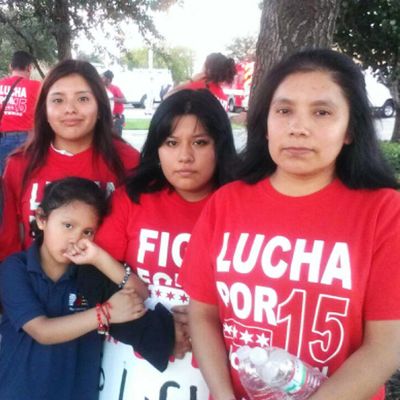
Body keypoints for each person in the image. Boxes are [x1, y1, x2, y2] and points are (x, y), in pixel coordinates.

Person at [180, 48, 400, 400]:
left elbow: (386, 345)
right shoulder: (226, 203)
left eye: (322, 112)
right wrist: (222, 395)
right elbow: (203, 314)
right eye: (283, 111)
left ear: (349, 130)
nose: (298, 128)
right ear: (265, 124)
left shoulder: (385, 212)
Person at [94, 89, 239, 400]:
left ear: (220, 146)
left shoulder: (241, 207)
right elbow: (93, 278)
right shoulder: (132, 198)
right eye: (171, 143)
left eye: (200, 142)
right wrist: (152, 330)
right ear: (157, 148)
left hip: (215, 374)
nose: (185, 156)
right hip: (131, 367)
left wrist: (210, 322)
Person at [0, 177, 147, 400]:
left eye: (88, 232)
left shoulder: (91, 272)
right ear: (41, 219)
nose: (75, 238)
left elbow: (139, 294)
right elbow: (42, 331)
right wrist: (106, 313)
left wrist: (99, 257)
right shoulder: (15, 267)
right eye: (68, 226)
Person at [0, 59, 140, 262]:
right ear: (44, 110)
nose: (70, 109)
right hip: (35, 287)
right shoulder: (20, 164)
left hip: (106, 287)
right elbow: (10, 245)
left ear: (100, 106)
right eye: (58, 100)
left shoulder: (128, 161)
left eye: (82, 99)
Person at [0, 50, 41, 173]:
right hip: (28, 140)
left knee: (3, 178)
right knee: (25, 177)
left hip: (2, 139)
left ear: (10, 66)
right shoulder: (37, 86)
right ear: (29, 68)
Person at [168, 52, 236, 110]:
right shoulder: (223, 97)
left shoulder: (197, 88)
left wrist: (191, 81)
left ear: (208, 69)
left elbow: (168, 96)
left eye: (204, 64)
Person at [102, 70, 126, 135]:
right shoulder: (101, 89)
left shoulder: (115, 88)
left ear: (108, 79)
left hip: (117, 118)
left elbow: (124, 100)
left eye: (103, 77)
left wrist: (112, 99)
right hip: (106, 118)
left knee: (116, 138)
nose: (101, 79)